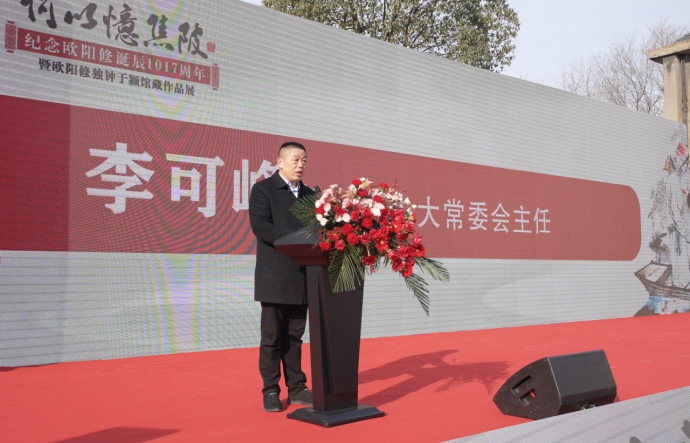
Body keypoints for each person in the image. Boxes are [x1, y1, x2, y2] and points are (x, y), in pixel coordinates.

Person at [248, 141, 315, 412]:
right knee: (272, 338)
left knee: (295, 338)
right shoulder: (264, 189)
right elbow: (260, 226)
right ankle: (271, 390)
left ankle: (297, 388)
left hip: (302, 277)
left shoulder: (311, 195)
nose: (300, 165)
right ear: (280, 161)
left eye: (304, 160)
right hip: (275, 276)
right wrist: (296, 239)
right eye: (295, 159)